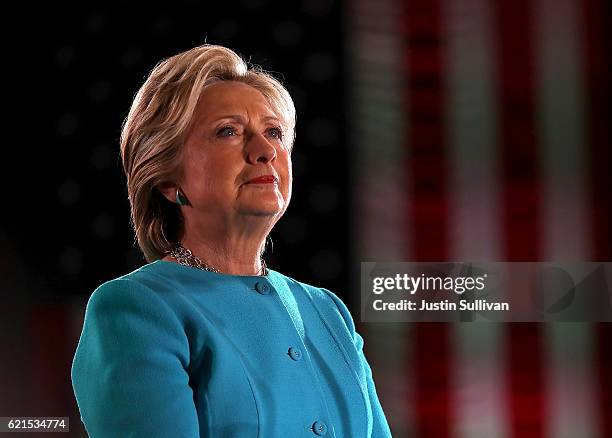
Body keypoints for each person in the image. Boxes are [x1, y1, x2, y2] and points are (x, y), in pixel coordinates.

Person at [71, 44, 392, 437]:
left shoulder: (329, 312)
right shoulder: (136, 310)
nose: (265, 151)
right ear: (167, 179)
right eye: (229, 132)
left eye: (273, 132)